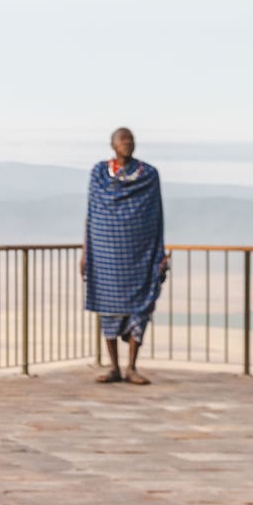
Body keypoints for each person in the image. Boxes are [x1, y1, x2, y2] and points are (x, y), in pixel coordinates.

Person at [81, 126, 167, 384]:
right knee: (108, 311)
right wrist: (87, 251)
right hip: (105, 253)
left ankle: (132, 366)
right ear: (112, 145)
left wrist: (159, 252)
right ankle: (114, 367)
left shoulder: (148, 175)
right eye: (122, 140)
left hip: (139, 252)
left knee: (140, 310)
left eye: (131, 140)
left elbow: (156, 215)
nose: (127, 144)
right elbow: (92, 213)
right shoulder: (99, 173)